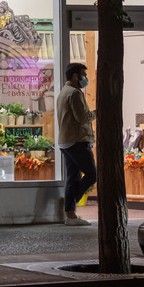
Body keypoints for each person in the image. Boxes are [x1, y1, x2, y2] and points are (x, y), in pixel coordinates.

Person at [56, 63, 95, 226]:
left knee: (73, 176)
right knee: (92, 175)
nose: (85, 78)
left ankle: (70, 215)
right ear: (75, 76)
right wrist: (98, 112)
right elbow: (82, 117)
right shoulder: (75, 93)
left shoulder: (64, 92)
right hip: (77, 141)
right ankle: (70, 205)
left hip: (66, 141)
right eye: (83, 75)